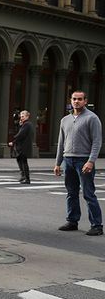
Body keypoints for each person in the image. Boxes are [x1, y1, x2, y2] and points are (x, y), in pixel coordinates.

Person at [54, 90, 103, 236]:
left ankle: (97, 225)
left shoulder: (92, 118)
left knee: (88, 194)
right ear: (70, 100)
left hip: (83, 160)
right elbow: (61, 143)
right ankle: (72, 221)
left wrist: (91, 161)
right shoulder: (65, 120)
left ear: (85, 101)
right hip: (68, 160)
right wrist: (58, 163)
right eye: (74, 99)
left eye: (80, 99)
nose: (77, 101)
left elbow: (97, 142)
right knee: (71, 193)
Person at [8, 110, 34, 184]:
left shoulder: (27, 124)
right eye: (21, 116)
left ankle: (27, 178)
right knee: (19, 160)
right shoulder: (25, 124)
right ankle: (23, 176)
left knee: (23, 162)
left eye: (23, 116)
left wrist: (13, 142)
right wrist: (20, 125)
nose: (21, 118)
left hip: (23, 146)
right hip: (22, 146)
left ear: (27, 116)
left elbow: (20, 135)